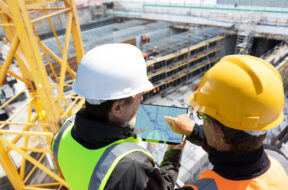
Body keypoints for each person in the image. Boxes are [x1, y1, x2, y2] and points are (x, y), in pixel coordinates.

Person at [51, 43, 185, 190]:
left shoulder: (62, 133)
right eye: (140, 96)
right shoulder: (133, 166)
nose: (141, 100)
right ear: (117, 108)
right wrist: (174, 152)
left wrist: (124, 126)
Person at [164, 55, 288, 190]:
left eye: (202, 116)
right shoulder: (278, 158)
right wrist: (193, 131)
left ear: (216, 130)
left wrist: (172, 153)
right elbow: (232, 148)